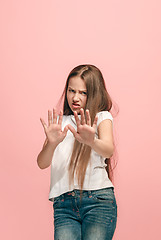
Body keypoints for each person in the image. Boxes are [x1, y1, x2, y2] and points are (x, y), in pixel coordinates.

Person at [37, 64, 118, 240]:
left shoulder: (101, 117)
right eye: (71, 90)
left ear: (94, 94)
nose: (75, 97)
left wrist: (92, 141)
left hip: (97, 201)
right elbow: (42, 163)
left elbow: (108, 150)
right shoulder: (60, 122)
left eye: (83, 93)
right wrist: (51, 143)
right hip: (64, 204)